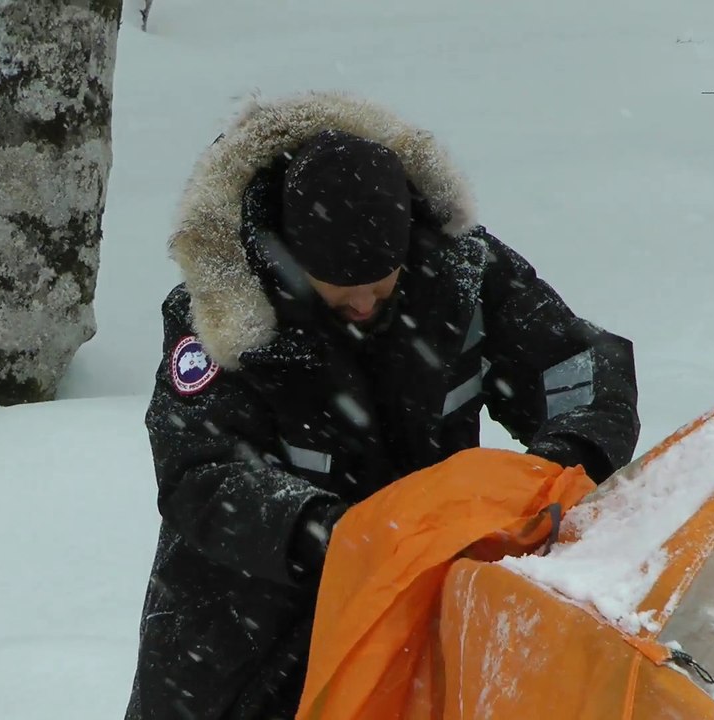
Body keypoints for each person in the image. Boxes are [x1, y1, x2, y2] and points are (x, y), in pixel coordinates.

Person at [123, 91, 640, 720]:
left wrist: (566, 460)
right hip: (244, 640)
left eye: (380, 282)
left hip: (417, 613)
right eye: (341, 288)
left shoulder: (464, 273)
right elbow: (201, 475)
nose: (365, 304)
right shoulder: (219, 313)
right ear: (290, 256)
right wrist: (335, 538)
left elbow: (576, 366)